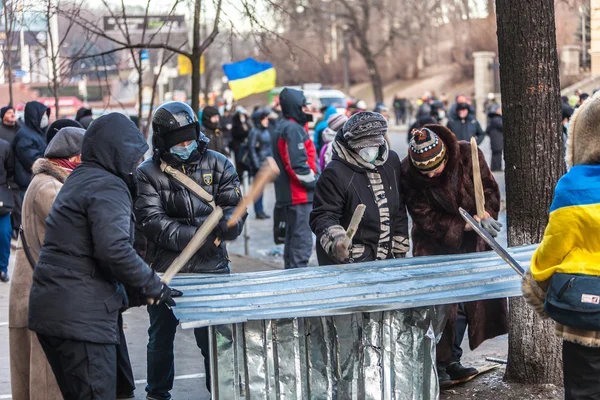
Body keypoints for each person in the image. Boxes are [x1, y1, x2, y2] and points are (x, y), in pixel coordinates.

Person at [28, 114, 173, 399]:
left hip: (58, 311)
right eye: (132, 156)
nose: (135, 165)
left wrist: (136, 292)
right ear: (116, 151)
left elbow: (90, 250)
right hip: (80, 319)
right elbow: (113, 249)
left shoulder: (80, 178)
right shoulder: (107, 185)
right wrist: (152, 284)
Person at [135, 101, 244, 399]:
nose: (186, 145)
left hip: (213, 269)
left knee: (214, 341)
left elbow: (233, 206)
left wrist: (232, 225)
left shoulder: (219, 162)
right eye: (178, 142)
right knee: (160, 338)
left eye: (189, 139)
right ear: (163, 142)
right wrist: (197, 236)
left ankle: (220, 392)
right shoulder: (147, 173)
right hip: (167, 271)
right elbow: (152, 221)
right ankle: (157, 393)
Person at [401, 125, 507, 386]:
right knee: (442, 306)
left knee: (466, 305)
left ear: (445, 156)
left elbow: (490, 189)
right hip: (435, 243)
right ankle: (436, 363)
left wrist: (488, 216)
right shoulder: (409, 172)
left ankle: (452, 360)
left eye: (434, 168)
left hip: (473, 244)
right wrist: (467, 225)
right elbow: (424, 216)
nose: (430, 174)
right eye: (424, 170)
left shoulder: (468, 153)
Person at [522, 95, 600, 400]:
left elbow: (552, 250)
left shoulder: (572, 187)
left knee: (583, 389)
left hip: (584, 311)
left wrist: (535, 284)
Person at [9, 128, 80, 400]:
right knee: (44, 383)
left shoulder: (45, 181)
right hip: (39, 295)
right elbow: (78, 225)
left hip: (30, 292)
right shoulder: (50, 187)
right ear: (74, 158)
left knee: (33, 378)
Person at [310, 111, 409, 265]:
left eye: (374, 145)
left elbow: (399, 207)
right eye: (363, 147)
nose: (370, 150)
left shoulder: (391, 162)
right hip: (350, 262)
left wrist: (399, 246)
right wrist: (337, 241)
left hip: (385, 260)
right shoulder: (335, 172)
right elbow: (323, 215)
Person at [271, 88, 319, 269]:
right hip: (299, 196)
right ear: (296, 107)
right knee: (301, 243)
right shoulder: (293, 129)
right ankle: (298, 283)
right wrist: (316, 183)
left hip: (291, 196)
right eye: (304, 105)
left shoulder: (285, 126)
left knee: (293, 243)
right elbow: (297, 165)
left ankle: (291, 277)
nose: (307, 109)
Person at [13, 101, 50, 199]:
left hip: (34, 183)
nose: (45, 118)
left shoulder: (36, 133)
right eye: (43, 115)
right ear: (35, 116)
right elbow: (34, 162)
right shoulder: (26, 136)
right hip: (28, 185)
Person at [0, 106, 22, 239]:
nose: (12, 115)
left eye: (13, 112)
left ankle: (15, 226)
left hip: (11, 177)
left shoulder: (20, 129)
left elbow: (10, 169)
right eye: (9, 112)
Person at [248, 108, 273, 220]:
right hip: (258, 165)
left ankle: (261, 210)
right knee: (258, 189)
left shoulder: (265, 130)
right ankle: (258, 211)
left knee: (262, 188)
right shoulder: (255, 131)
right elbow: (251, 149)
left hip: (265, 163)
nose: (266, 120)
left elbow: (268, 148)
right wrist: (257, 164)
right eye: (264, 118)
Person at [0, 133, 13, 282]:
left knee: (4, 234)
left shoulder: (4, 146)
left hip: (2, 197)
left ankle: (2, 268)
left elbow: (11, 172)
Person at [230, 106, 251, 175]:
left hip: (245, 145)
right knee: (238, 161)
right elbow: (235, 133)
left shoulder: (246, 122)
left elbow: (249, 131)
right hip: (237, 145)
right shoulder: (235, 123)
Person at [486, 105, 503, 171]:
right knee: (497, 153)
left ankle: (494, 167)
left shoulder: (493, 118)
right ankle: (497, 167)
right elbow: (502, 126)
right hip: (497, 139)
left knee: (496, 153)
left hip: (495, 138)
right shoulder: (496, 118)